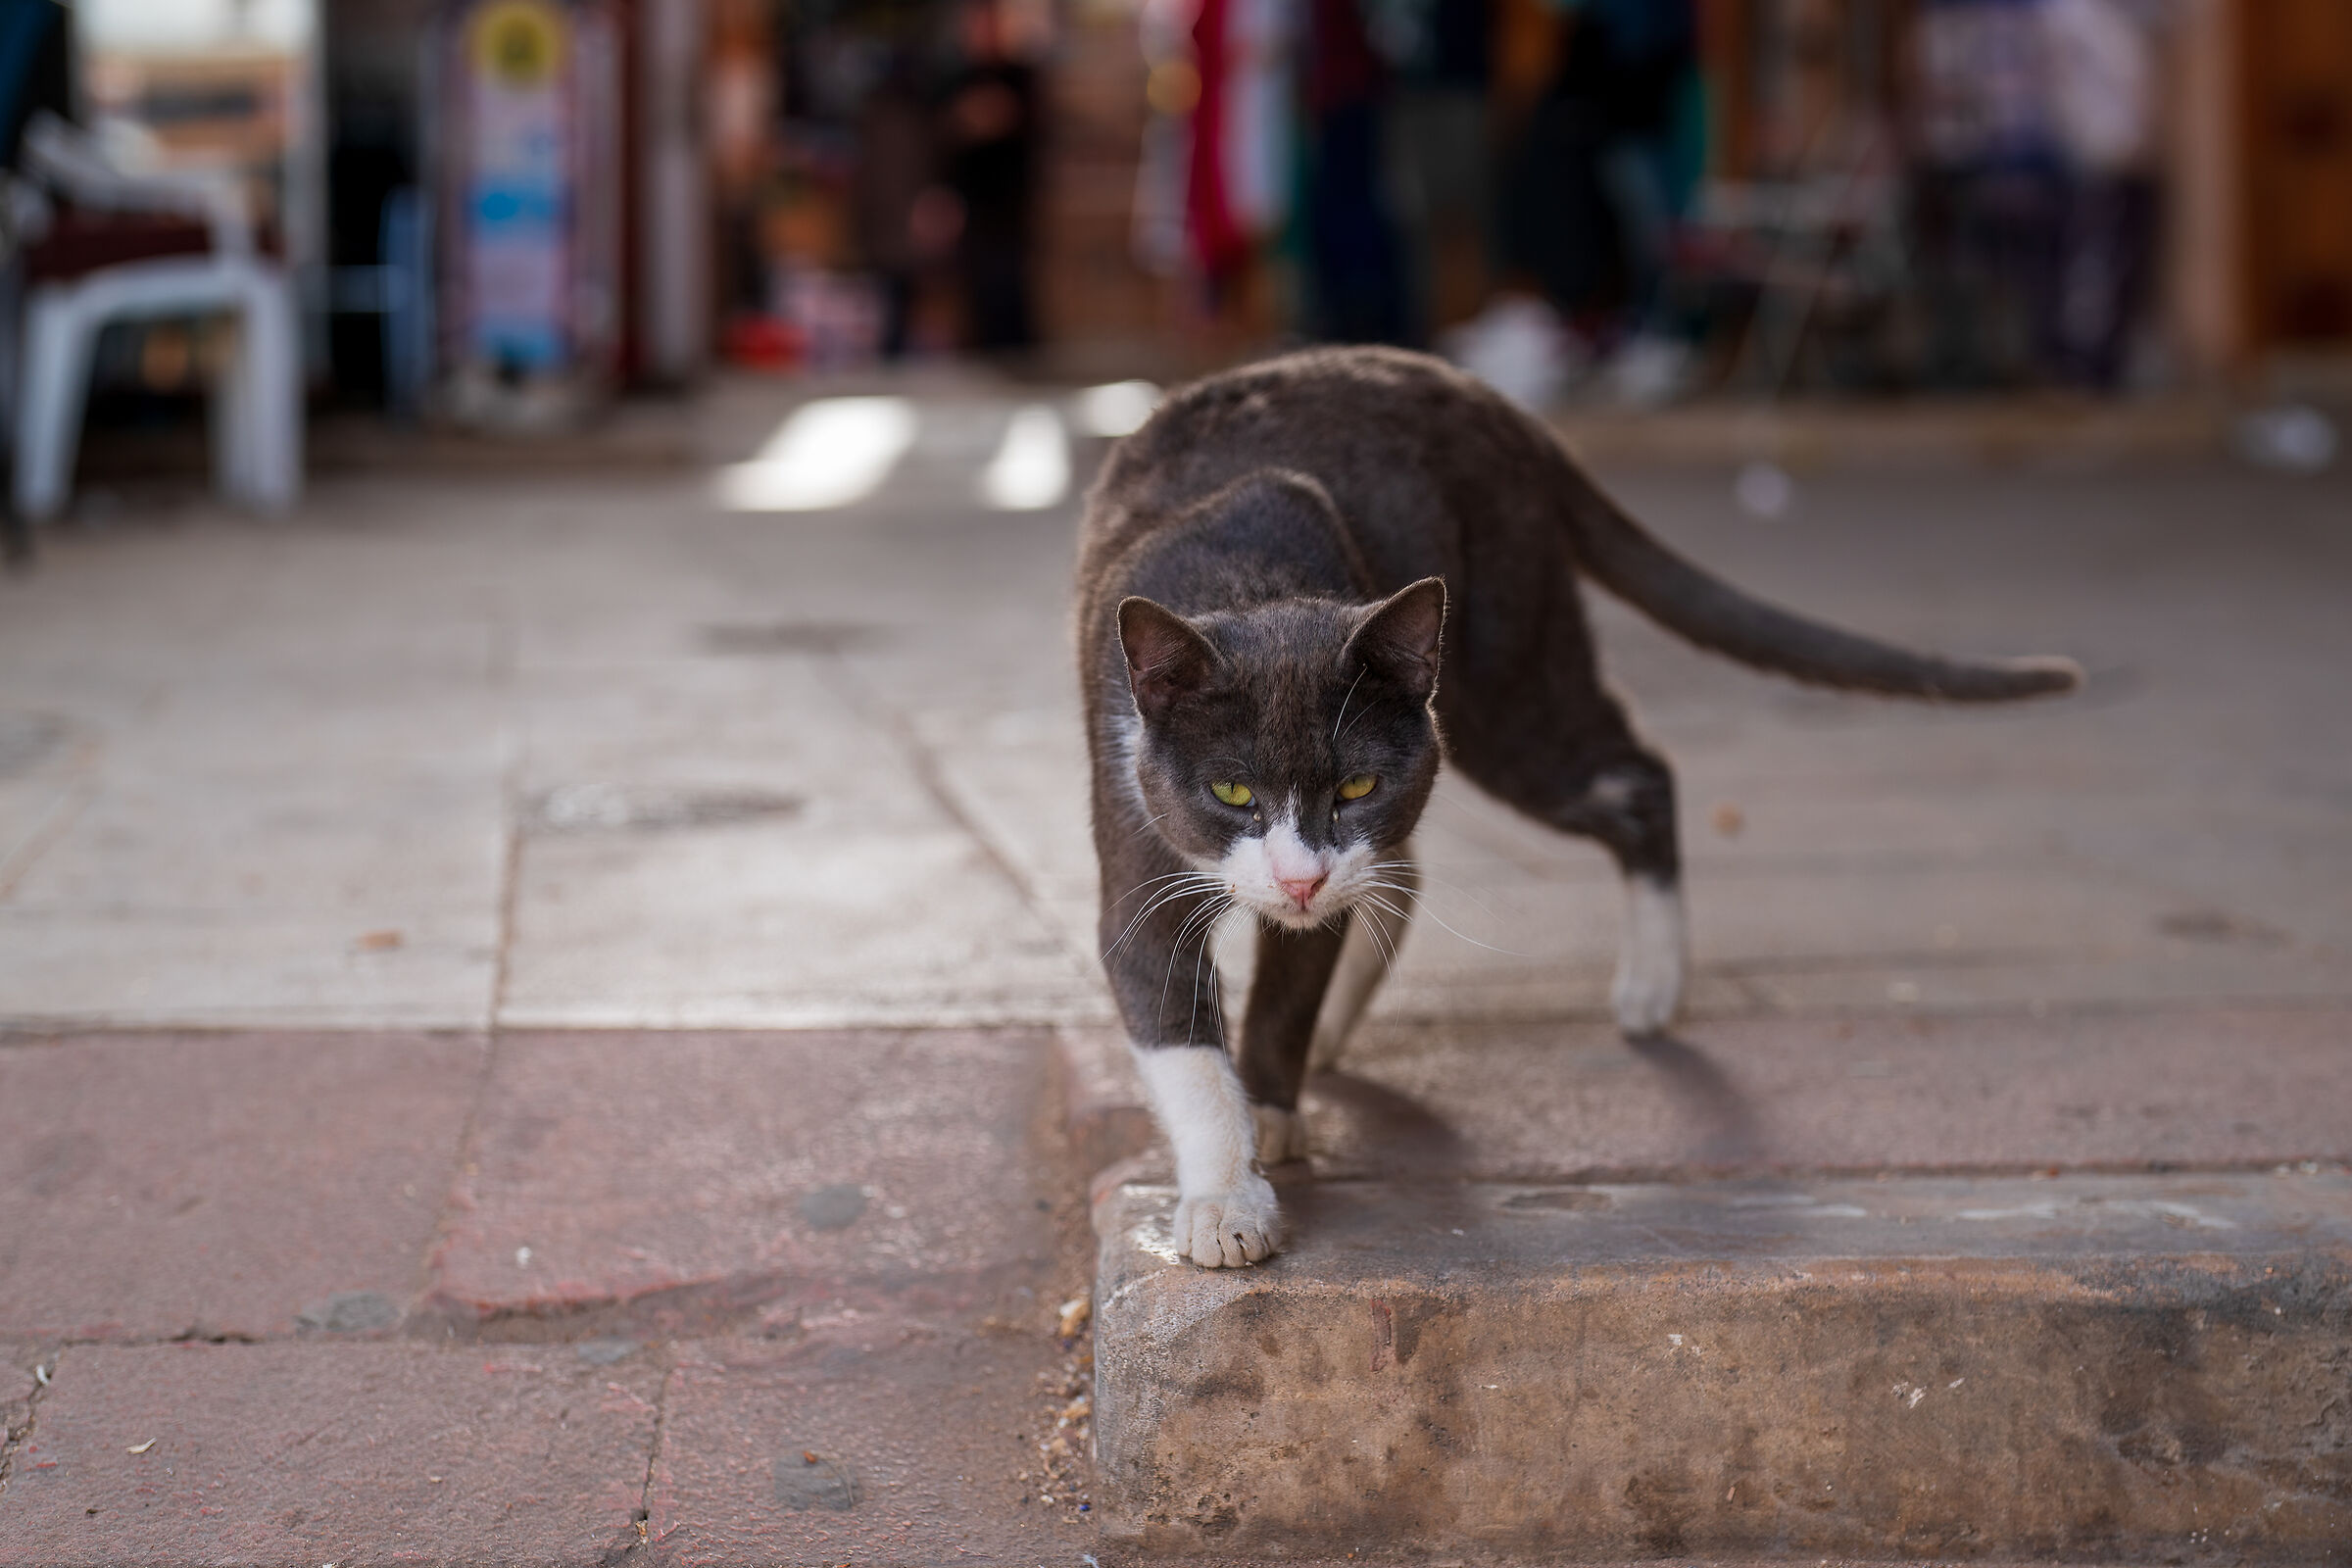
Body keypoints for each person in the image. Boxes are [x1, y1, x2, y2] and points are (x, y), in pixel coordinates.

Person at [940, 0, 1039, 354]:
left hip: (1011, 200)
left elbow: (1011, 118)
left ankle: (1018, 355)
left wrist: (981, 116)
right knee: (977, 288)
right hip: (973, 202)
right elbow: (951, 129)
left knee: (1011, 285)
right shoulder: (956, 77)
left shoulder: (1020, 74)